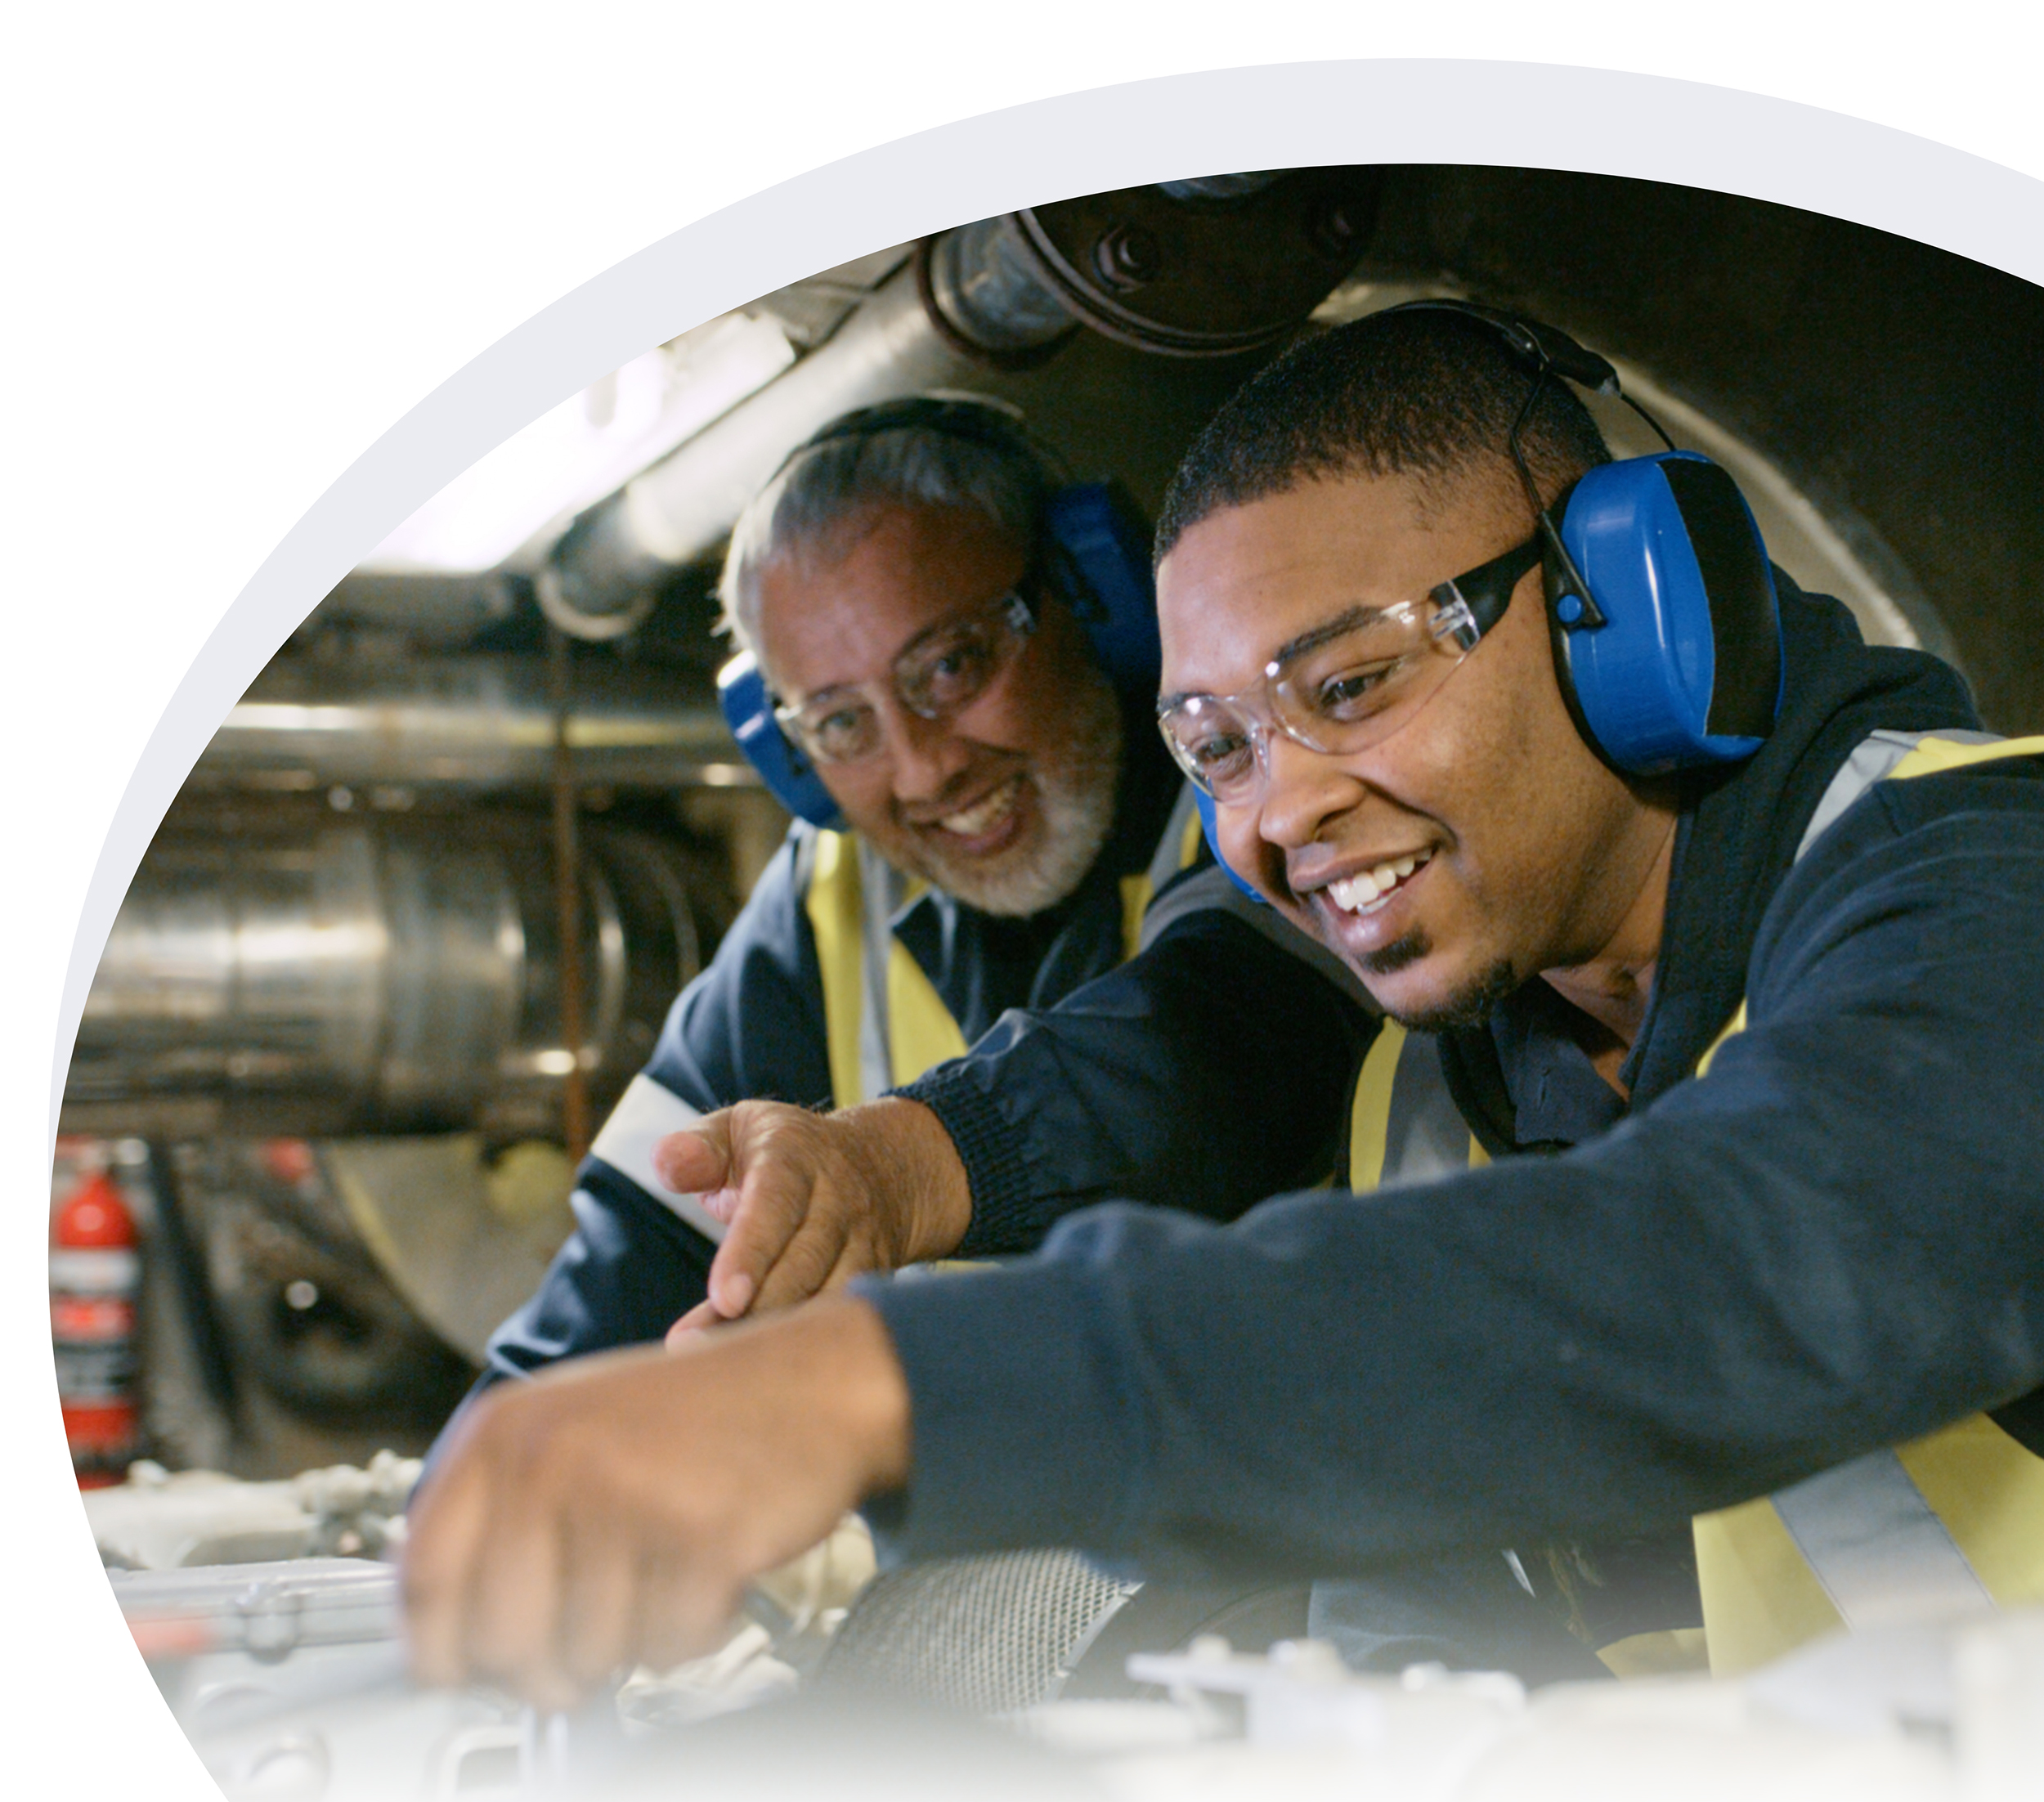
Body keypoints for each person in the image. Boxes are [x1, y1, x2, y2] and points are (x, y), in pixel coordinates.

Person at [406, 307, 2044, 1712]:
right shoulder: (1424, 1086)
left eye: (1349, 685)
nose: (1279, 813)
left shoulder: (1987, 882)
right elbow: (1423, 1617)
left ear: (1621, 601)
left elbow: (1735, 1259)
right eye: (1219, 747)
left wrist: (884, 1386)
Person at [474, 397, 1370, 1387]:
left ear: (1089, 590)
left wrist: (898, 1167)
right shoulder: (825, 896)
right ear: (790, 754)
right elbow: (630, 1263)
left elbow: (1223, 1056)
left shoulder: (1254, 787)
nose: (923, 769)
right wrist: (498, 1445)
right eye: (840, 723)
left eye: (951, 664)